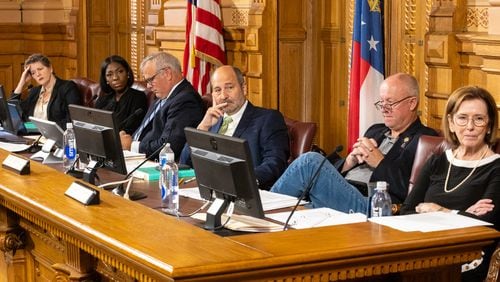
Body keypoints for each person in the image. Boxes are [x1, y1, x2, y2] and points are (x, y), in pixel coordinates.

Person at [271, 73, 437, 213]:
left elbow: (412, 191)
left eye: (391, 102)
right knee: (292, 211)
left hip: (375, 204)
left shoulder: (425, 140)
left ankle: (259, 213)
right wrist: (348, 163)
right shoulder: (375, 131)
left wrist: (380, 163)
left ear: (412, 103)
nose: (384, 108)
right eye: (382, 102)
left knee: (310, 161)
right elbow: (335, 174)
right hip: (343, 194)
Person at [400, 86, 499, 282]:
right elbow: (406, 212)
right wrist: (465, 214)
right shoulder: (437, 161)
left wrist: (441, 211)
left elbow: (486, 224)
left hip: (468, 257)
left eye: (478, 119)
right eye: (462, 118)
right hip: (422, 248)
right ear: (451, 123)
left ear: (488, 126)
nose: (470, 126)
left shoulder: (496, 167)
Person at [180, 66, 289, 190]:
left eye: (229, 88)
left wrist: (239, 181)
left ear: (244, 88)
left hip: (246, 191)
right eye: (217, 90)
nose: (223, 96)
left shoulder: (268, 119)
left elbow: (275, 164)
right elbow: (185, 163)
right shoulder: (212, 121)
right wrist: (202, 128)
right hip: (208, 190)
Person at [120, 52, 204, 158]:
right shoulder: (163, 94)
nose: (148, 86)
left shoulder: (186, 100)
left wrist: (132, 146)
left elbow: (168, 146)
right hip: (136, 157)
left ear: (167, 73)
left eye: (150, 80)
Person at [13, 53, 81, 130]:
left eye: (40, 69)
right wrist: (21, 83)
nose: (38, 74)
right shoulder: (34, 92)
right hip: (33, 136)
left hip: (56, 137)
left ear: (51, 68)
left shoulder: (67, 88)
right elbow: (12, 115)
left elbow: (72, 121)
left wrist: (41, 128)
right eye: (33, 73)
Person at [95, 55, 147, 134]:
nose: (115, 78)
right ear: (106, 80)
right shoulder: (102, 100)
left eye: (120, 71)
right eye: (109, 75)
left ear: (128, 73)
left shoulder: (138, 97)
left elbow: (132, 128)